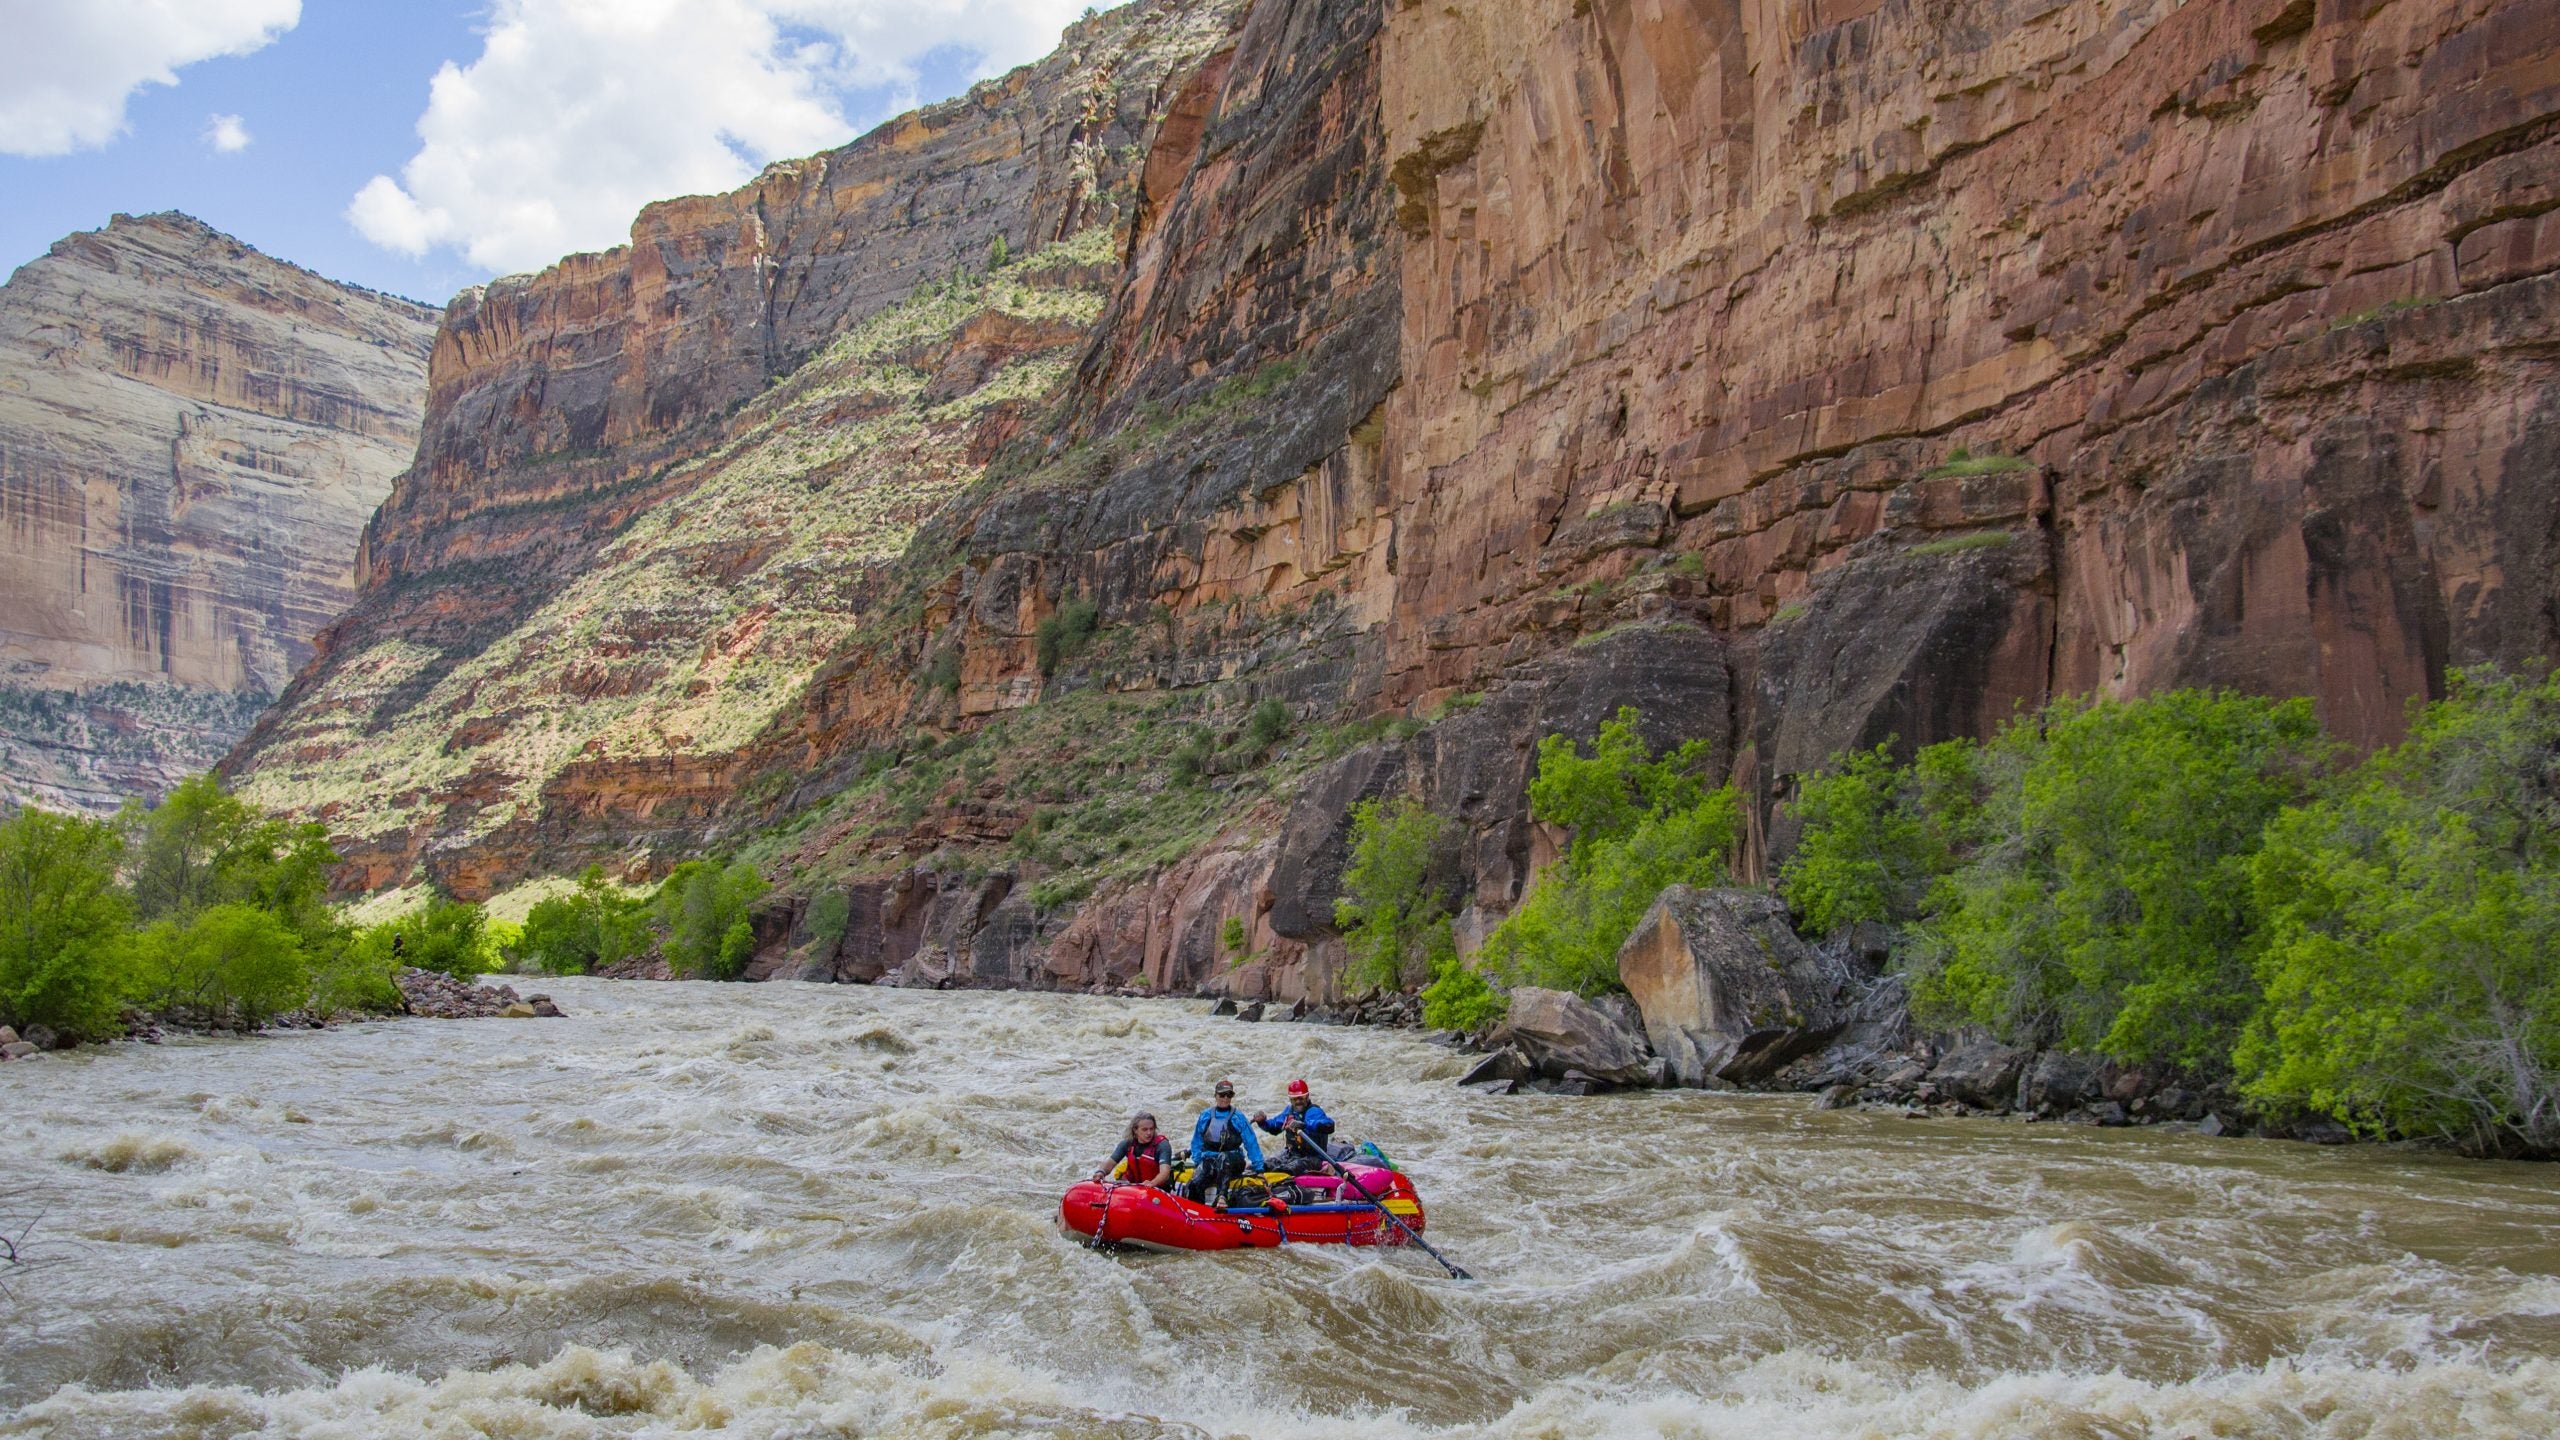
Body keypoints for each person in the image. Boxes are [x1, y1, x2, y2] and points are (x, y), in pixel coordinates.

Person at [1185, 1079, 1263, 1204]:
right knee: (1194, 1183)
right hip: (1211, 1159)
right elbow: (1197, 1142)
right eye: (1222, 1095)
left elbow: (1251, 1144)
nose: (1225, 1098)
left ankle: (1222, 1197)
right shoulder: (1205, 1116)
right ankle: (1197, 1211)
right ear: (1215, 1096)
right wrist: (1198, 1163)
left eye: (1229, 1095)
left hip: (1234, 1161)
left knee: (1224, 1157)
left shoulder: (1238, 1117)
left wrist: (1259, 1169)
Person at [1253, 1079, 1337, 1173]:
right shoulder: (1289, 1111)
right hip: (1292, 1155)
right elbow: (1274, 1127)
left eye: (1300, 1098)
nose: (1297, 1102)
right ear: (1290, 1099)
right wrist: (1262, 1122)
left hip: (1313, 1158)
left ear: (1307, 1097)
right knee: (1262, 1166)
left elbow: (1329, 1125)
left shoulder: (1314, 1112)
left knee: (1286, 1170)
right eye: (1294, 1099)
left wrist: (1305, 1125)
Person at [1095, 1112, 1173, 1189]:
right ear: (1135, 1130)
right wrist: (1101, 1172)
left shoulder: (1162, 1145)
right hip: (1133, 1188)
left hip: (1156, 1189)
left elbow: (1165, 1173)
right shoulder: (1127, 1144)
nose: (1149, 1133)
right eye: (1144, 1129)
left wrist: (1152, 1183)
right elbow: (1110, 1163)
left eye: (1151, 1129)